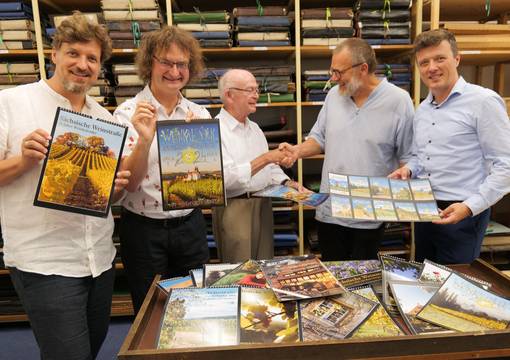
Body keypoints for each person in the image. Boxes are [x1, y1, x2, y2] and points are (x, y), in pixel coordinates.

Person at [0, 12, 130, 360]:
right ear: (54, 53)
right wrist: (24, 161)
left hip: (99, 259)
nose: (82, 64)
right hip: (45, 262)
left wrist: (114, 187)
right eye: (74, 53)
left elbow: (106, 197)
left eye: (92, 58)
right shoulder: (12, 102)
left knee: (90, 348)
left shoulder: (104, 119)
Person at [279, 38, 414, 261]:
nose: (333, 78)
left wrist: (403, 189)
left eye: (339, 72)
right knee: (332, 277)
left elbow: (408, 157)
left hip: (370, 214)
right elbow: (319, 138)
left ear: (363, 69)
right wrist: (296, 151)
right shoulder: (334, 96)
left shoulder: (399, 101)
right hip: (329, 213)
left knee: (362, 280)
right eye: (332, 71)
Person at [389, 29, 510, 264]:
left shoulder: (483, 102)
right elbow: (419, 156)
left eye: (439, 58)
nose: (431, 67)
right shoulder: (422, 109)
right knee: (426, 280)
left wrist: (469, 207)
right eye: (424, 62)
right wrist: (409, 170)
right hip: (424, 208)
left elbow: (506, 165)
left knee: (455, 288)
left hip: (463, 212)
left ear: (457, 59)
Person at [114, 26, 210, 314]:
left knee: (195, 306)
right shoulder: (127, 113)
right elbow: (128, 185)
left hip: (189, 225)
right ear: (149, 64)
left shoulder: (200, 115)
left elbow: (205, 183)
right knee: (149, 311)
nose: (174, 71)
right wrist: (145, 139)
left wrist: (200, 149)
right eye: (166, 62)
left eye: (182, 64)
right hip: (144, 230)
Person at [212, 69, 305, 263]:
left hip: (263, 205)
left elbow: (270, 169)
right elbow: (225, 179)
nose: (256, 95)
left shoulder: (254, 128)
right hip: (235, 207)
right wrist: (266, 158)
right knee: (238, 273)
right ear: (229, 95)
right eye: (250, 90)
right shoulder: (214, 131)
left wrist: (287, 182)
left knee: (264, 268)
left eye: (257, 89)